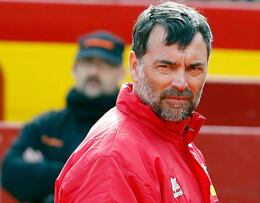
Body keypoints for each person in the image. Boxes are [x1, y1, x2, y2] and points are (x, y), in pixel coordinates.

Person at [55, 2, 219, 203]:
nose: (181, 83)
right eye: (166, 67)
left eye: (194, 69)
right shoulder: (113, 159)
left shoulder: (175, 138)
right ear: (134, 66)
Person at [1, 30, 125, 203]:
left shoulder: (128, 127)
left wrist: (43, 170)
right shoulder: (46, 125)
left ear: (121, 73)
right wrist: (90, 174)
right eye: (87, 62)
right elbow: (10, 174)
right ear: (74, 69)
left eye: (105, 64)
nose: (94, 71)